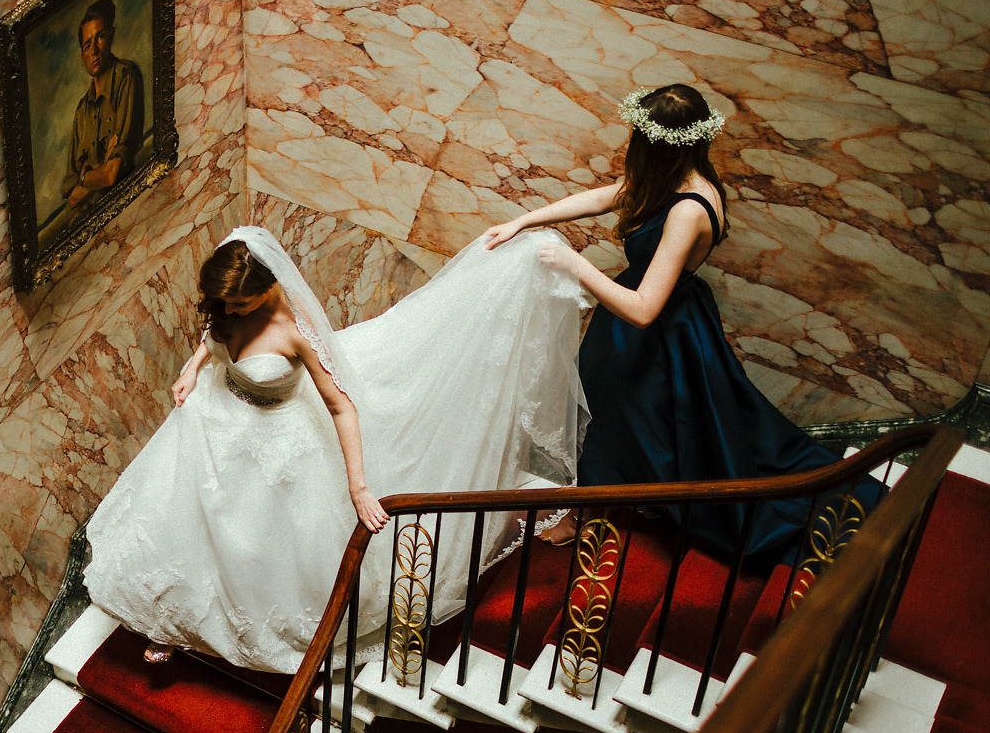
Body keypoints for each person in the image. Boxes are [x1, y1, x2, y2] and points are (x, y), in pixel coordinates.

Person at [84, 225, 588, 672]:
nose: (230, 312)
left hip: (276, 440)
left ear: (267, 290)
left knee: (256, 542)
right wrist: (193, 366)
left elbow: (344, 408)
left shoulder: (293, 330)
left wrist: (359, 487)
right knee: (181, 522)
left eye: (240, 304)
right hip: (212, 421)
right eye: (225, 305)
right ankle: (166, 622)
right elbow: (215, 330)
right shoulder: (227, 300)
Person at [484, 83, 882, 569]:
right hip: (636, 327)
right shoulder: (668, 179)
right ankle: (604, 503)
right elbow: (607, 196)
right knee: (614, 417)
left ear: (661, 146)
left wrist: (574, 265)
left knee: (627, 422)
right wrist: (523, 222)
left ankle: (587, 512)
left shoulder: (691, 207)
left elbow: (645, 307)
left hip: (656, 333)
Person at [59, 0, 144, 217]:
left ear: (111, 36)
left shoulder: (126, 77)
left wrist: (86, 176)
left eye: (100, 38)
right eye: (87, 45)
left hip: (131, 206)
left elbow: (111, 174)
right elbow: (72, 197)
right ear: (82, 56)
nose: (94, 50)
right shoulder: (81, 112)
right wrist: (101, 168)